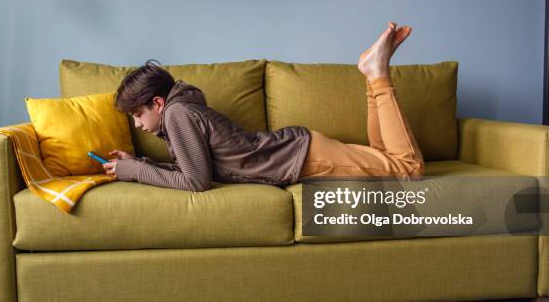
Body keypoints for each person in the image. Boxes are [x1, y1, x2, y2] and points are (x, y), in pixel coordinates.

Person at [104, 22, 425, 191]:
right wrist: (140, 162)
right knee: (386, 158)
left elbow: (195, 183)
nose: (138, 124)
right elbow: (192, 169)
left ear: (157, 103)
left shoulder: (177, 114)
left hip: (306, 161)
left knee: (409, 172)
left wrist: (135, 172)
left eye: (137, 114)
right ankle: (373, 75)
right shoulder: (180, 110)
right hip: (304, 152)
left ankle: (377, 74)